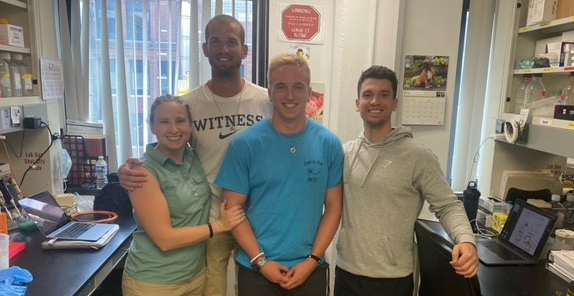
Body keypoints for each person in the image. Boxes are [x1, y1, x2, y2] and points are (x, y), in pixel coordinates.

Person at [119, 15, 272, 296]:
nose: (223, 49)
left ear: (245, 50)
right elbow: (168, 149)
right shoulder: (189, 104)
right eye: (216, 42)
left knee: (257, 289)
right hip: (213, 218)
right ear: (204, 49)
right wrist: (125, 169)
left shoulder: (265, 99)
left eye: (232, 42)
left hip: (259, 217)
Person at [334, 65, 479, 296]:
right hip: (346, 272)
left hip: (393, 279)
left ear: (395, 103)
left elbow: (448, 205)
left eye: (384, 95)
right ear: (357, 103)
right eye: (368, 94)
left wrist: (466, 240)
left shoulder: (417, 156)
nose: (375, 101)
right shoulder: (344, 154)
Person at [215, 53, 344, 296]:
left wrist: (312, 260)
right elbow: (233, 211)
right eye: (281, 87)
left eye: (298, 87)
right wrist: (261, 261)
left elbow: (334, 208)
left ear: (309, 92)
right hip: (257, 269)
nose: (290, 95)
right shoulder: (245, 145)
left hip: (310, 268)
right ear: (270, 93)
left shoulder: (329, 144)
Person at [122, 95, 245, 296]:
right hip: (154, 283)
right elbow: (165, 239)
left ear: (190, 125)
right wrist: (219, 226)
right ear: (152, 126)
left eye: (180, 121)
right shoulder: (142, 174)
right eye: (164, 122)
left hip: (194, 278)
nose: (173, 129)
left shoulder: (192, 157)